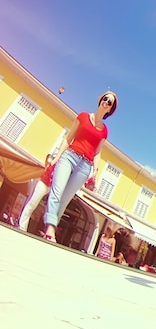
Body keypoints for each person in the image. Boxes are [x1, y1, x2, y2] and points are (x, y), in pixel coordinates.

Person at [43, 92, 117, 242]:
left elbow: (97, 152)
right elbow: (68, 138)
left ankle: (51, 229)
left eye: (110, 102)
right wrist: (56, 158)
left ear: (110, 109)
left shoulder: (104, 131)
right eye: (105, 99)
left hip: (85, 166)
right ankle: (50, 227)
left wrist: (94, 172)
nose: (106, 102)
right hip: (69, 156)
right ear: (100, 100)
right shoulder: (83, 116)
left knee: (65, 199)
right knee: (57, 191)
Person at [18, 154, 54, 232]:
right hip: (44, 184)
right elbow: (49, 160)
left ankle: (22, 226)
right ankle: (22, 227)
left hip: (48, 186)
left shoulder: (57, 165)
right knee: (32, 204)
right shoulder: (52, 163)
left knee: (33, 205)